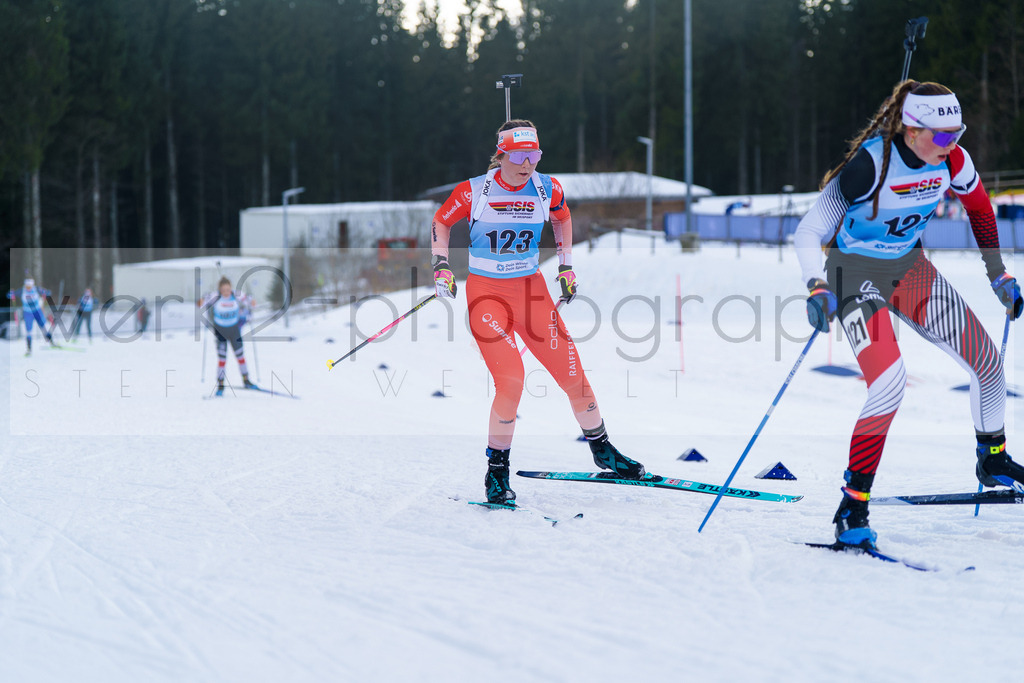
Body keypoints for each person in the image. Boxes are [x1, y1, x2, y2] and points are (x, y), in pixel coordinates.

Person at [794, 80, 1024, 550]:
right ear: (911, 128)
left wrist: (998, 276)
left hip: (907, 269)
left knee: (988, 363)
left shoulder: (953, 161)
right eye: (941, 136)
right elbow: (808, 230)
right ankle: (852, 505)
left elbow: (981, 211)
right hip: (851, 275)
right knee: (890, 382)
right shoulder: (871, 166)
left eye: (957, 133)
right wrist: (816, 286)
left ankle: (993, 457)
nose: (951, 145)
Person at [430, 119, 646, 504]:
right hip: (487, 295)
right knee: (511, 380)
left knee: (573, 374)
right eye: (520, 156)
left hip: (532, 293)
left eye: (535, 155)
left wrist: (566, 266)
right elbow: (441, 221)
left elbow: (563, 218)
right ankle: (496, 473)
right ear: (502, 155)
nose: (528, 164)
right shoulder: (475, 191)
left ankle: (603, 450)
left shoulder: (548, 187)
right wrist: (441, 265)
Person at [199, 277, 258, 395]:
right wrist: (201, 301)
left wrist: (252, 302)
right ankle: (220, 385)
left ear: (231, 288)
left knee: (240, 356)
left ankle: (246, 380)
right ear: (220, 289)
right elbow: (200, 304)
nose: (226, 292)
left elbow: (250, 302)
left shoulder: (236, 295)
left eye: (228, 289)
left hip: (234, 330)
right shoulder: (215, 296)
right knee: (222, 358)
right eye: (223, 289)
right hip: (220, 331)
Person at [12, 278, 57, 356]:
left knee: (43, 327)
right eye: (27, 286)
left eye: (29, 286)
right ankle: (29, 349)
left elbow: (48, 292)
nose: (28, 288)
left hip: (37, 311)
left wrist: (47, 292)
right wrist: (11, 294)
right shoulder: (22, 290)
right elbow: (12, 294)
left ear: (32, 285)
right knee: (28, 330)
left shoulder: (36, 289)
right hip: (27, 312)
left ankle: (51, 342)